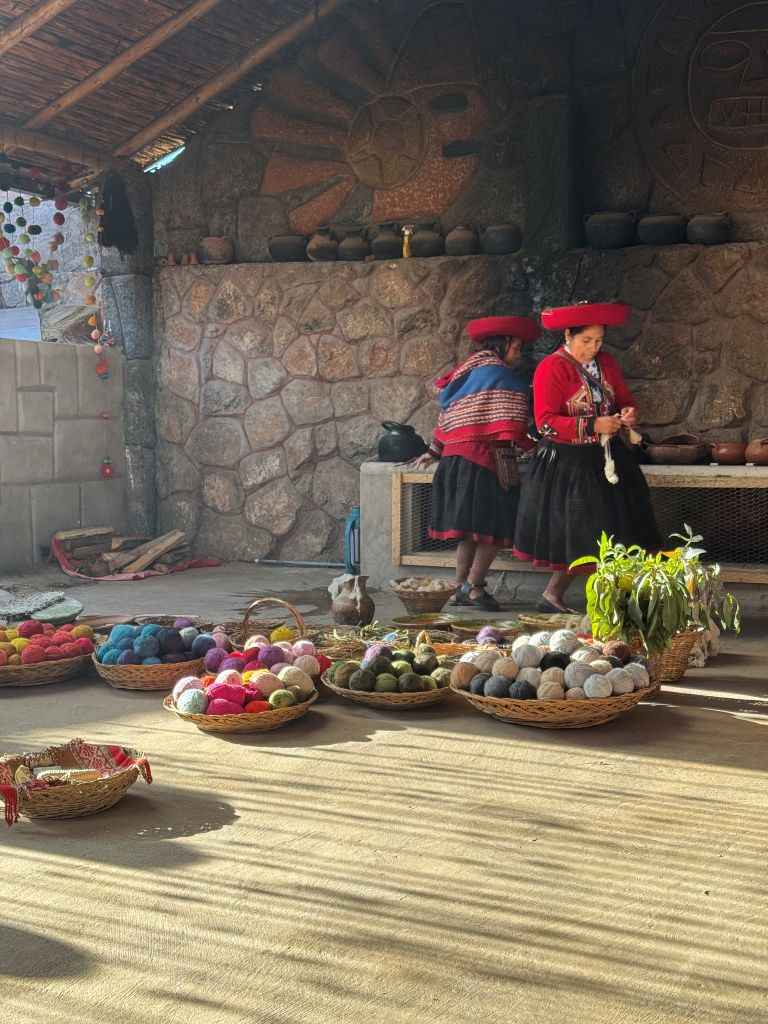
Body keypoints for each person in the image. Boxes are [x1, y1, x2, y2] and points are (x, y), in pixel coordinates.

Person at [513, 302, 662, 612]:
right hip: (569, 462)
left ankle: (617, 600)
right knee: (583, 527)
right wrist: (594, 424)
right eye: (586, 341)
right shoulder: (551, 368)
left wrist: (628, 413)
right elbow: (545, 424)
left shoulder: (606, 363)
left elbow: (623, 398)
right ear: (568, 335)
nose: (593, 348)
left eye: (599, 340)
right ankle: (553, 595)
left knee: (620, 526)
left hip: (608, 457)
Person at [413, 315, 538, 611]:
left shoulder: (464, 375)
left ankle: (459, 587)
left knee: (470, 530)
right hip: (482, 463)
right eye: (517, 347)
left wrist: (434, 451)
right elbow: (511, 426)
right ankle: (476, 587)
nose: (518, 355)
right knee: (495, 530)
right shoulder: (503, 377)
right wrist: (533, 448)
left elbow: (447, 418)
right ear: (504, 343)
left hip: (453, 463)